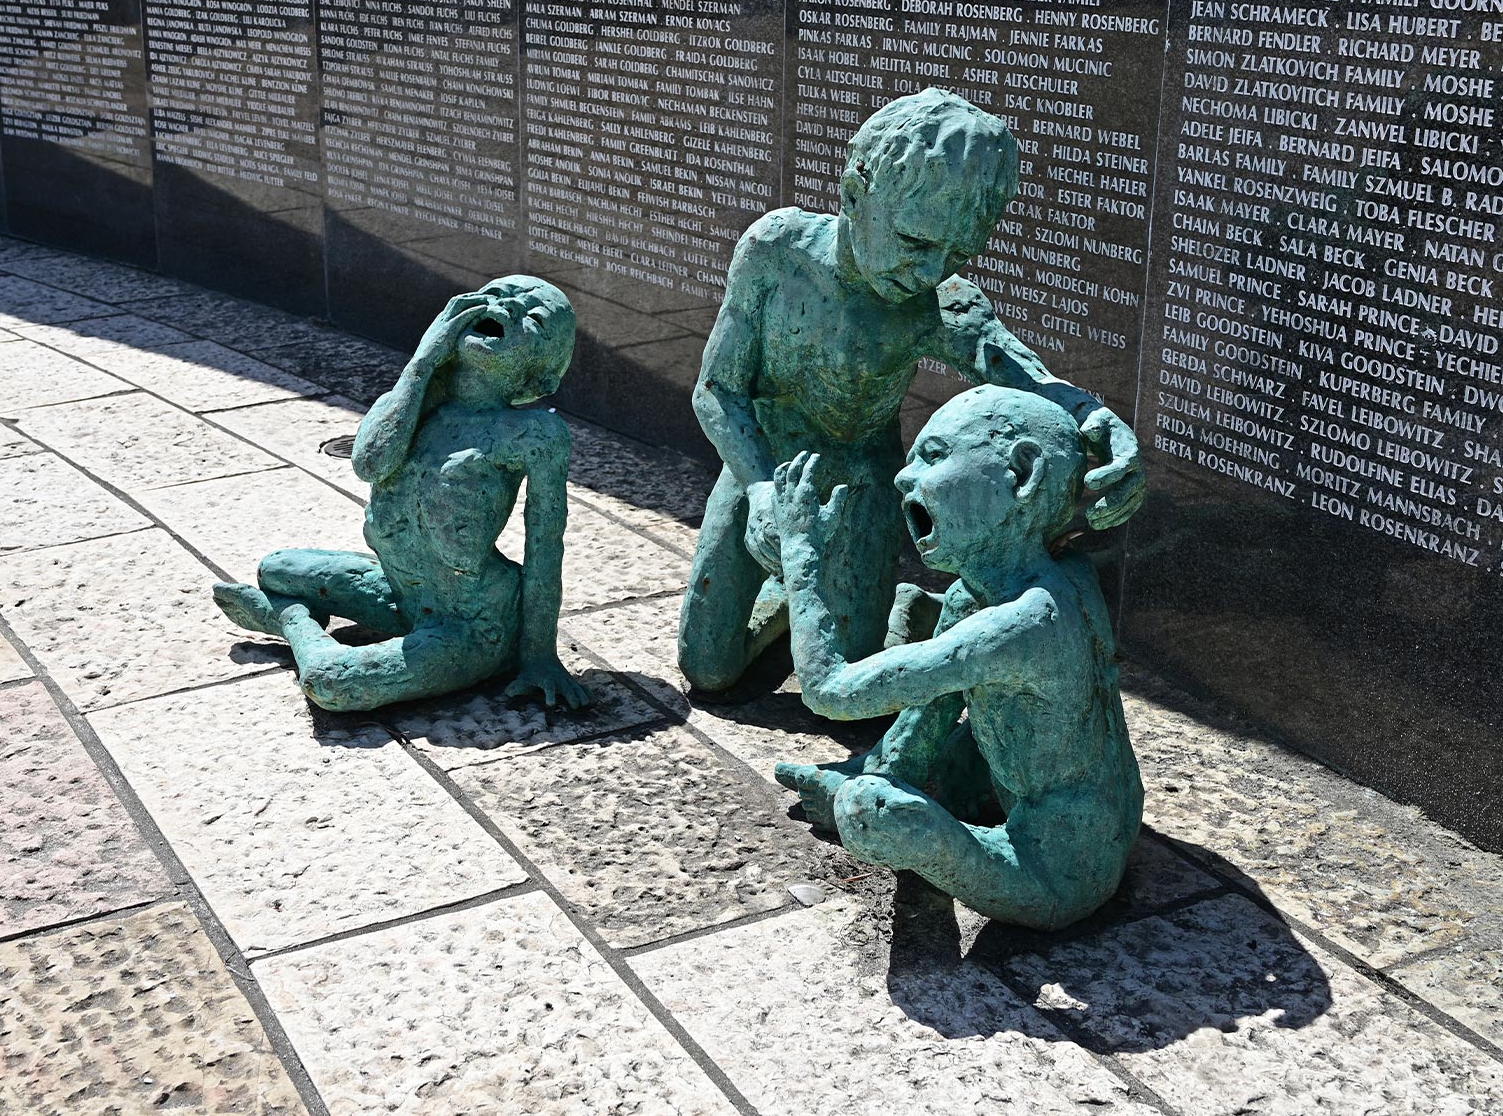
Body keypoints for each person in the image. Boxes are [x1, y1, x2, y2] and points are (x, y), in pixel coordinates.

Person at [678, 87, 1144, 693]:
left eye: (956, 254)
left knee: (852, 683)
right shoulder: (776, 251)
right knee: (708, 667)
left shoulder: (937, 303)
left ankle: (905, 605)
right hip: (766, 465)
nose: (930, 272)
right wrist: (761, 489)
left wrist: (1095, 419)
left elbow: (1021, 371)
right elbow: (716, 388)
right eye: (917, 243)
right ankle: (793, 591)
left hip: (862, 482)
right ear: (854, 194)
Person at [771, 385, 1143, 927]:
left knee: (866, 813)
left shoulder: (1023, 624)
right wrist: (877, 768)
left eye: (935, 456)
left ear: (1021, 474)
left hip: (1054, 872)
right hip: (1089, 809)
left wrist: (799, 551)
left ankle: (919, 817)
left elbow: (829, 690)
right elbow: (928, 715)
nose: (904, 476)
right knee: (925, 750)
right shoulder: (1026, 583)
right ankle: (905, 790)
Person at [213, 275, 589, 711]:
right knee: (276, 569)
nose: (504, 310)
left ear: (542, 370)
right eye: (492, 298)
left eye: (535, 320)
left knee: (330, 683)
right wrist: (423, 362)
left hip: (473, 623)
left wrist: (539, 656)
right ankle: (307, 618)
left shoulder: (533, 433)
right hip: (400, 592)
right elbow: (369, 462)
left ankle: (290, 620)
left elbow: (546, 550)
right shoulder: (411, 404)